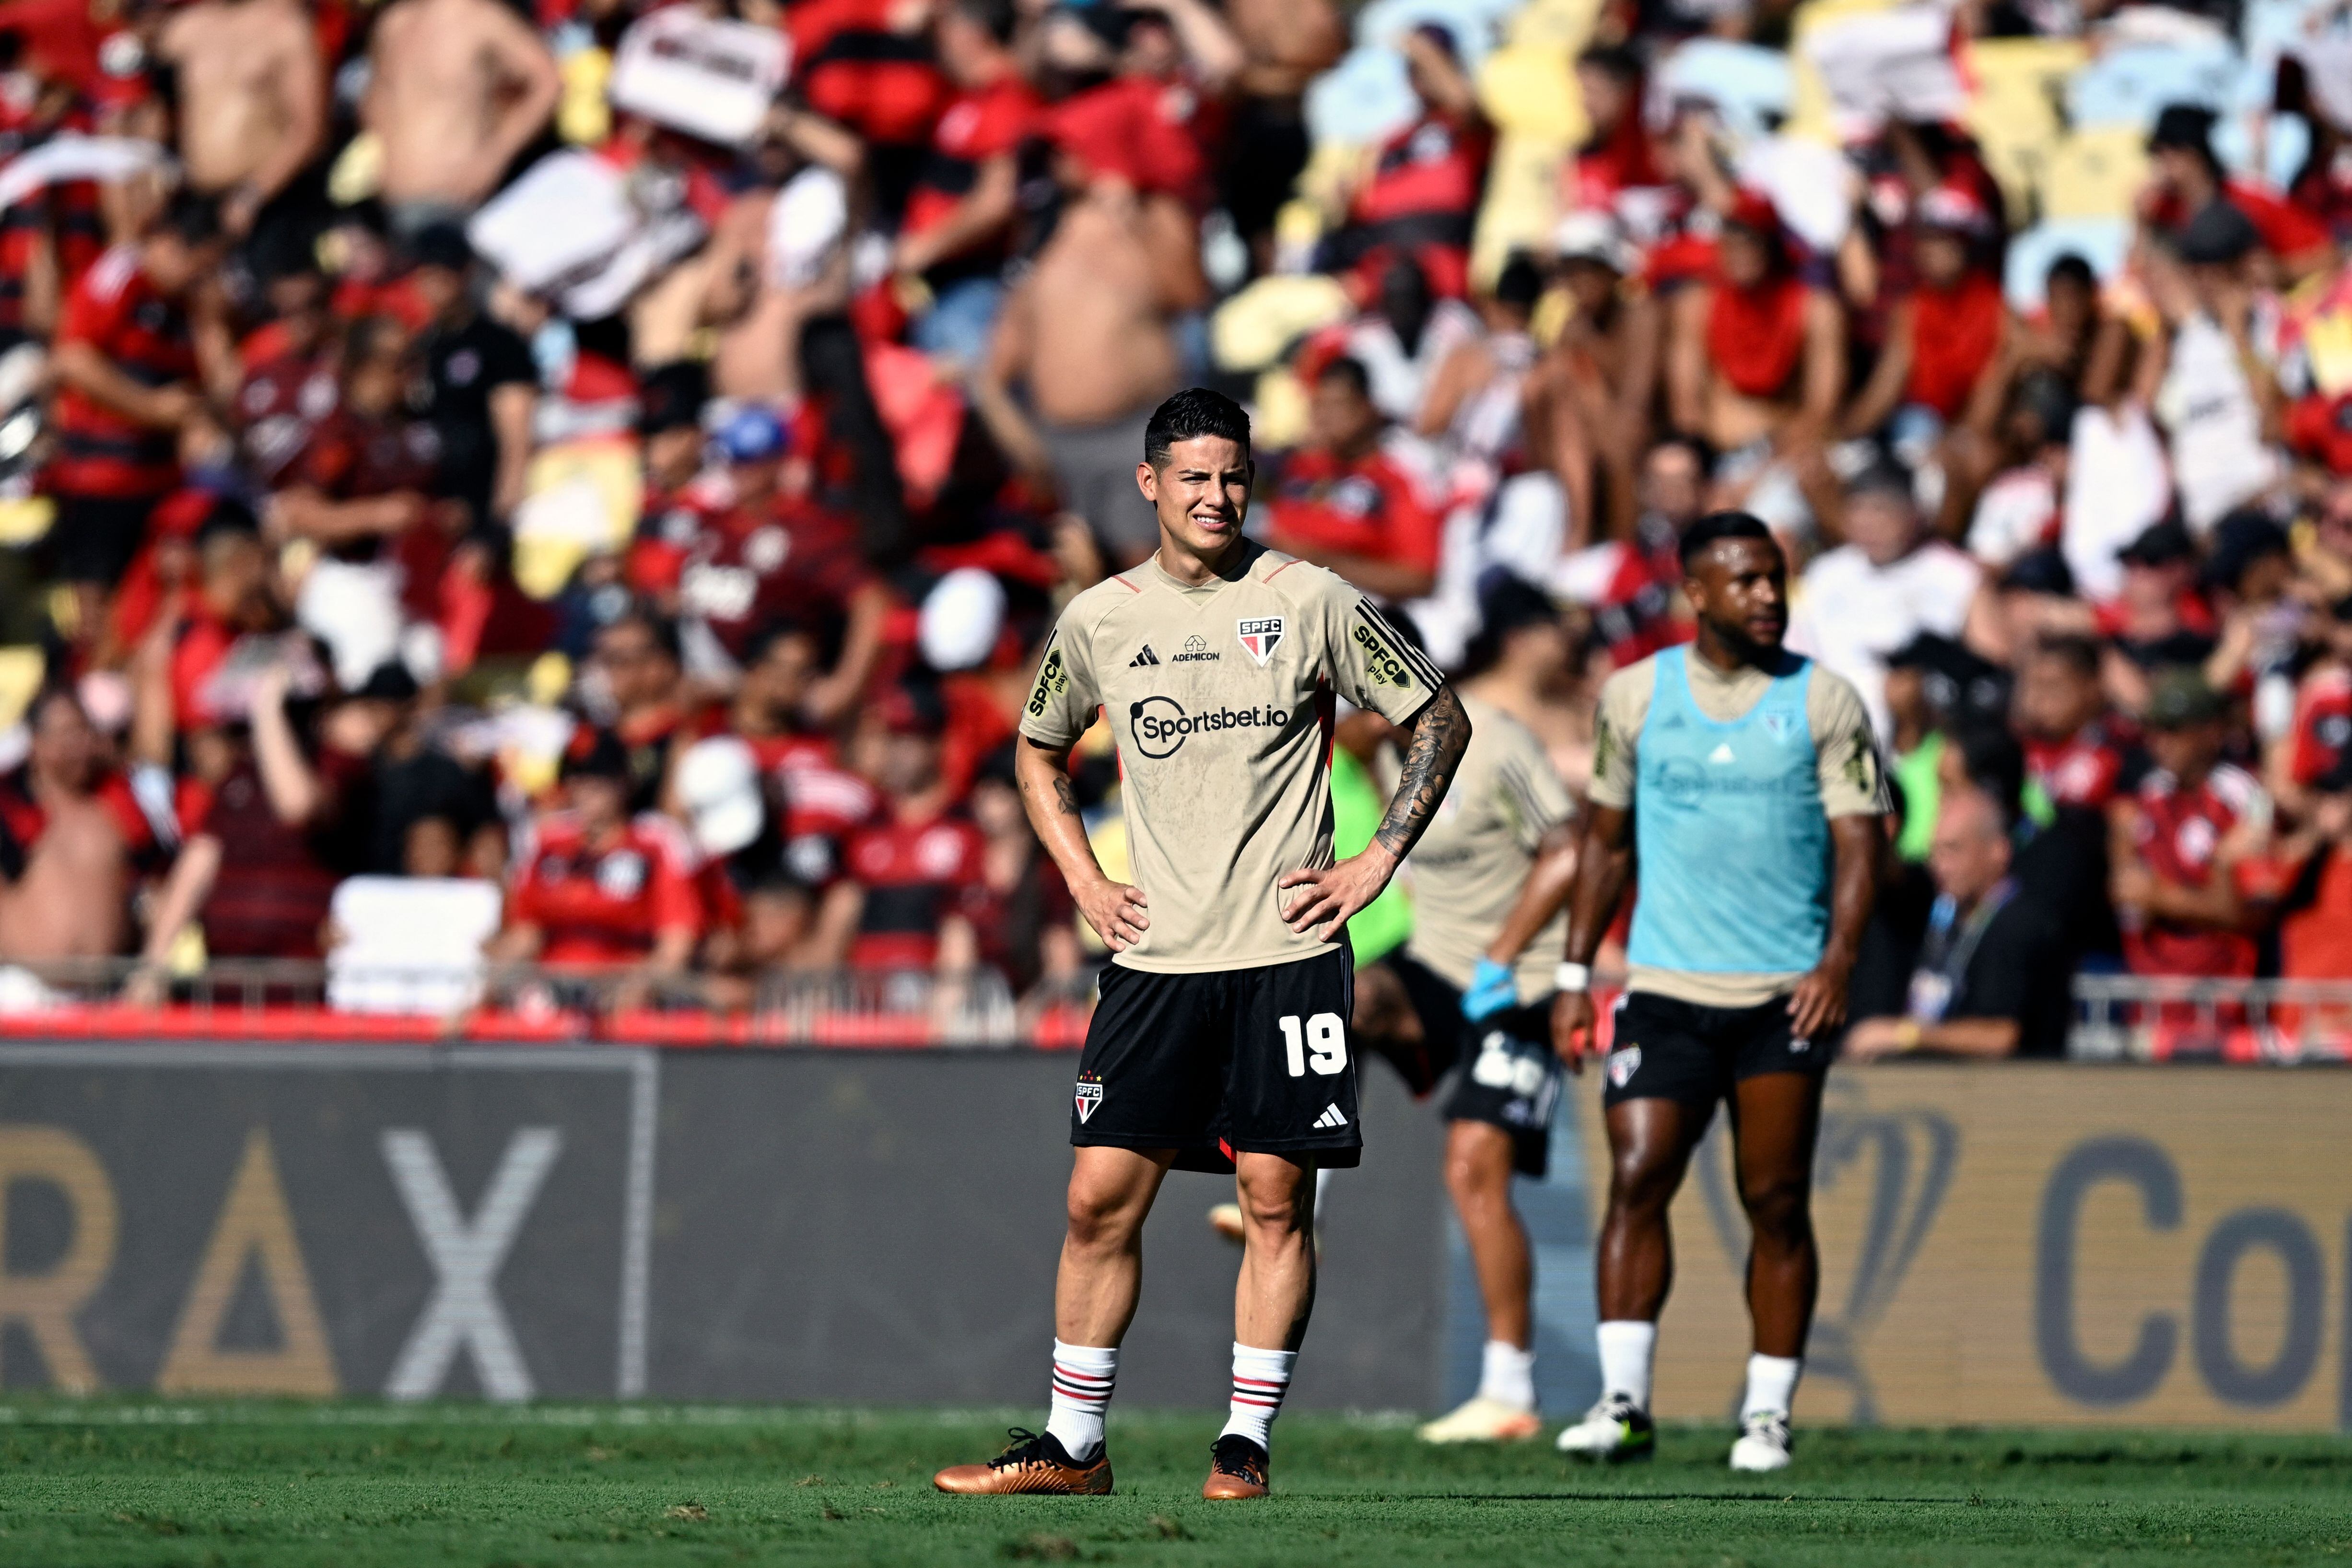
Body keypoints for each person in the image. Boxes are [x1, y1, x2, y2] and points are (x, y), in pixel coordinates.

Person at [932, 387, 1470, 1499]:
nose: (1216, 496)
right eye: (1193, 478)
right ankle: (1072, 1446)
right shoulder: (1100, 619)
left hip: (1286, 954)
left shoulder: (1308, 597)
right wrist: (1084, 878)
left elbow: (1436, 716)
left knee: (1274, 1198)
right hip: (1155, 960)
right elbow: (1035, 754)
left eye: (1232, 476)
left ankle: (1244, 1444)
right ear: (1149, 485)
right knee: (1095, 1200)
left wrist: (1376, 863)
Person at [1553, 510, 1889, 1472]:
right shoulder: (1634, 697)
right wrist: (1575, 975)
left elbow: (1860, 845)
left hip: (1783, 994)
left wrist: (1835, 962)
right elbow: (1603, 845)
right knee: (1638, 1173)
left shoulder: (1823, 701)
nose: (1766, 597)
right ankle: (1623, 1405)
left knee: (1774, 1199)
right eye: (1743, 580)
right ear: (1693, 593)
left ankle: (1767, 1414)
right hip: (1663, 986)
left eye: (1774, 578)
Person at [1348, 602, 1580, 1445]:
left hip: (1520, 977)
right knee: (1344, 993)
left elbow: (1571, 848)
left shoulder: (1493, 739)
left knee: (1473, 1169)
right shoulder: (1376, 746)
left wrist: (1511, 953)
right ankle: (1310, 1194)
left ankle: (1509, 1388)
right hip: (1439, 967)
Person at [45, 192, 230, 644]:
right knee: (94, 618)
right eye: (200, 264)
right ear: (169, 244)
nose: (202, 276)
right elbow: (73, 359)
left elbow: (222, 383)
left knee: (145, 615)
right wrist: (152, 410)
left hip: (161, 485)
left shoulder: (192, 303)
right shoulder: (120, 275)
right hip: (99, 480)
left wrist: (213, 323)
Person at [1845, 787, 2072, 1061]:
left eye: (1953, 849)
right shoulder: (1946, 913)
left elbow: (1999, 1037)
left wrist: (1904, 1035)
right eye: (1935, 852)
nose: (1940, 865)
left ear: (1998, 851)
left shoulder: (2019, 926)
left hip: (2014, 1092)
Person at [2110, 668, 2268, 981]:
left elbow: (2252, 913)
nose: (2159, 743)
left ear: (2211, 733)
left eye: (2173, 730)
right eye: (2152, 730)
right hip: (2152, 989)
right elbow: (2128, 897)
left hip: (2223, 990)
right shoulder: (2148, 796)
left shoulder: (2244, 799)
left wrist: (2162, 899)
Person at [362, 0, 559, 234]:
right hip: (390, 209)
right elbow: (376, 103)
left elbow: (548, 82)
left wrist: (494, 157)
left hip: (457, 206)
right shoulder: (394, 23)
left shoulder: (481, 18)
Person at [1260, 355, 1443, 603]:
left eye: (1337, 406)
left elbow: (1420, 578)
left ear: (1369, 408)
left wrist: (1322, 564)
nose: (1324, 418)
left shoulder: (1401, 478)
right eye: (1319, 406)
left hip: (1364, 609)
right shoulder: (1302, 468)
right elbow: (1276, 536)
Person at [155, 0, 324, 242]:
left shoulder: (287, 29)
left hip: (266, 197)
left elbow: (308, 129)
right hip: (196, 195)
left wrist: (255, 194)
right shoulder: (188, 28)